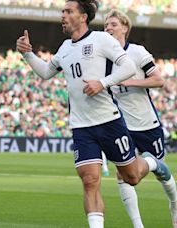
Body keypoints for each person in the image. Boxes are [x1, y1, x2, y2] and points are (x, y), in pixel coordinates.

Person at [16, 1, 171, 227]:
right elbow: (46, 73)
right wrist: (28, 55)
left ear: (83, 17)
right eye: (62, 11)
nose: (63, 15)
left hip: (109, 121)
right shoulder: (65, 48)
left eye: (68, 12)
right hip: (81, 126)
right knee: (89, 180)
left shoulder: (101, 40)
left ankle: (152, 163)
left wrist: (103, 83)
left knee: (132, 177)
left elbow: (127, 67)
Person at [104, 9, 177, 228]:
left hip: (146, 123)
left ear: (125, 28)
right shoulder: (103, 59)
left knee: (160, 172)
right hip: (121, 125)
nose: (108, 28)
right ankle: (138, 225)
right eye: (106, 25)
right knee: (122, 173)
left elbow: (158, 81)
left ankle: (174, 202)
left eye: (113, 24)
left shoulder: (137, 52)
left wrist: (129, 82)